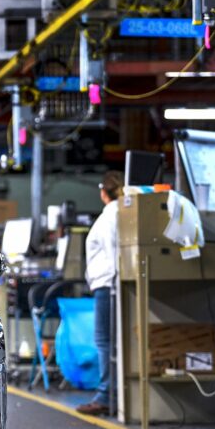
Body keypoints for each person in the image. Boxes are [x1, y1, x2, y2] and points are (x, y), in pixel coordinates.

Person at [77, 171, 122, 416]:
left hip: (109, 286)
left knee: (105, 342)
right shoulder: (117, 214)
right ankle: (110, 393)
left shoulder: (110, 217)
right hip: (109, 285)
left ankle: (106, 396)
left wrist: (115, 287)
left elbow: (114, 253)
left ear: (103, 192)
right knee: (110, 342)